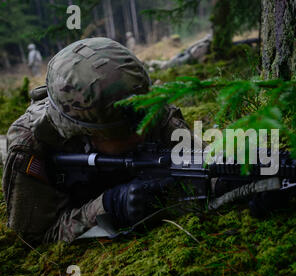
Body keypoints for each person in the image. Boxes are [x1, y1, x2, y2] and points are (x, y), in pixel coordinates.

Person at [2, 37, 191, 243]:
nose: (142, 133)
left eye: (144, 121)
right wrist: (108, 206)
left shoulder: (148, 106)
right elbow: (37, 234)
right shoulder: (31, 145)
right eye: (125, 133)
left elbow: (199, 161)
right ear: (83, 133)